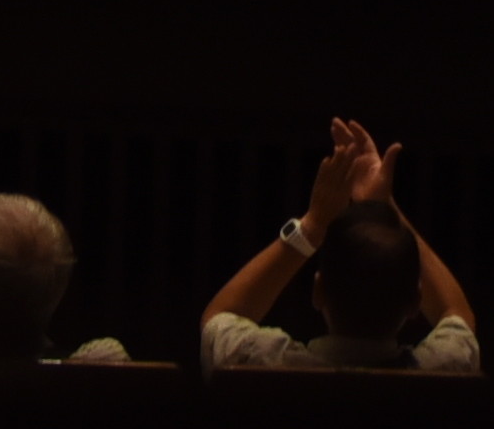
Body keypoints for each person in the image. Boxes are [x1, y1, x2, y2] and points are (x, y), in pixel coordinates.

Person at [195, 123, 477, 377]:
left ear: (318, 291)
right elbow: (456, 313)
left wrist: (312, 227)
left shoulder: (261, 362)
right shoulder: (445, 367)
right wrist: (384, 203)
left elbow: (219, 315)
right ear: (415, 299)